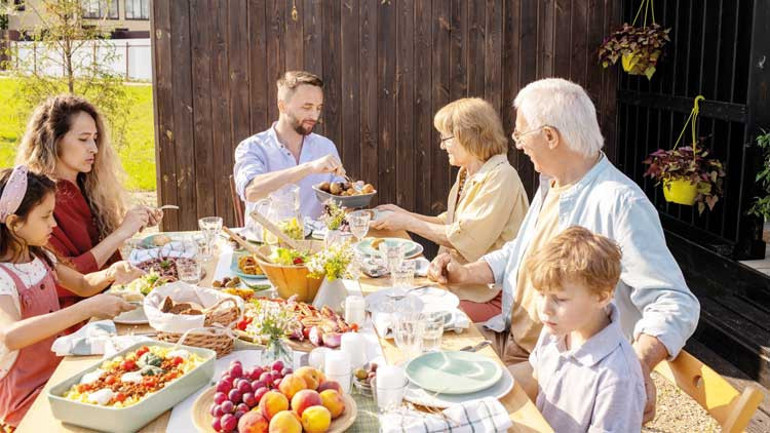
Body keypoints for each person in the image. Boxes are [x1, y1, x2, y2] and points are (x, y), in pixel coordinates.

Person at [428, 78, 700, 423]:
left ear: (550, 136)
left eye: (520, 133)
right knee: (423, 366)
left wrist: (639, 362)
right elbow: (522, 251)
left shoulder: (621, 202)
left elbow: (675, 301)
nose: (518, 144)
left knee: (448, 411)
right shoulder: (553, 184)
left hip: (553, 373)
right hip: (513, 341)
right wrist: (467, 272)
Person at [0, 167, 139, 428]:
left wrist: (111, 273)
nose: (53, 224)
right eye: (46, 216)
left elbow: (83, 284)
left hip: (60, 376)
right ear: (14, 223)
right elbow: (11, 335)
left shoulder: (40, 256)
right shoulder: (3, 278)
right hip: (26, 400)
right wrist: (86, 309)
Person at [371, 98, 528, 322]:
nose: (442, 145)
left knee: (411, 318)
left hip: (488, 296)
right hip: (460, 287)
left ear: (469, 134)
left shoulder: (502, 176)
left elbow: (465, 239)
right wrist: (403, 214)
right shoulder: (468, 173)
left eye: (446, 137)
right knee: (391, 301)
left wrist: (406, 223)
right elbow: (452, 222)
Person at [16, 95, 162, 310]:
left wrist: (133, 222)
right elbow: (69, 278)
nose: (94, 147)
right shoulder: (38, 201)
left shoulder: (86, 185)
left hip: (110, 296)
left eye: (95, 138)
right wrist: (121, 232)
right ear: (53, 140)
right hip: (75, 315)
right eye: (83, 139)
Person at [523, 226, 645, 432]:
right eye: (541, 294)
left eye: (560, 299)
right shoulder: (555, 331)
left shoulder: (617, 376)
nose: (544, 309)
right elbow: (534, 386)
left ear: (602, 297)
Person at [233, 70, 346, 221]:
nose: (314, 115)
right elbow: (251, 191)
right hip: (267, 243)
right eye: (307, 107)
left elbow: (341, 204)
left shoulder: (326, 147)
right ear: (282, 106)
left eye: (318, 108)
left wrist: (354, 194)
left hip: (317, 243)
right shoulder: (252, 147)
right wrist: (309, 168)